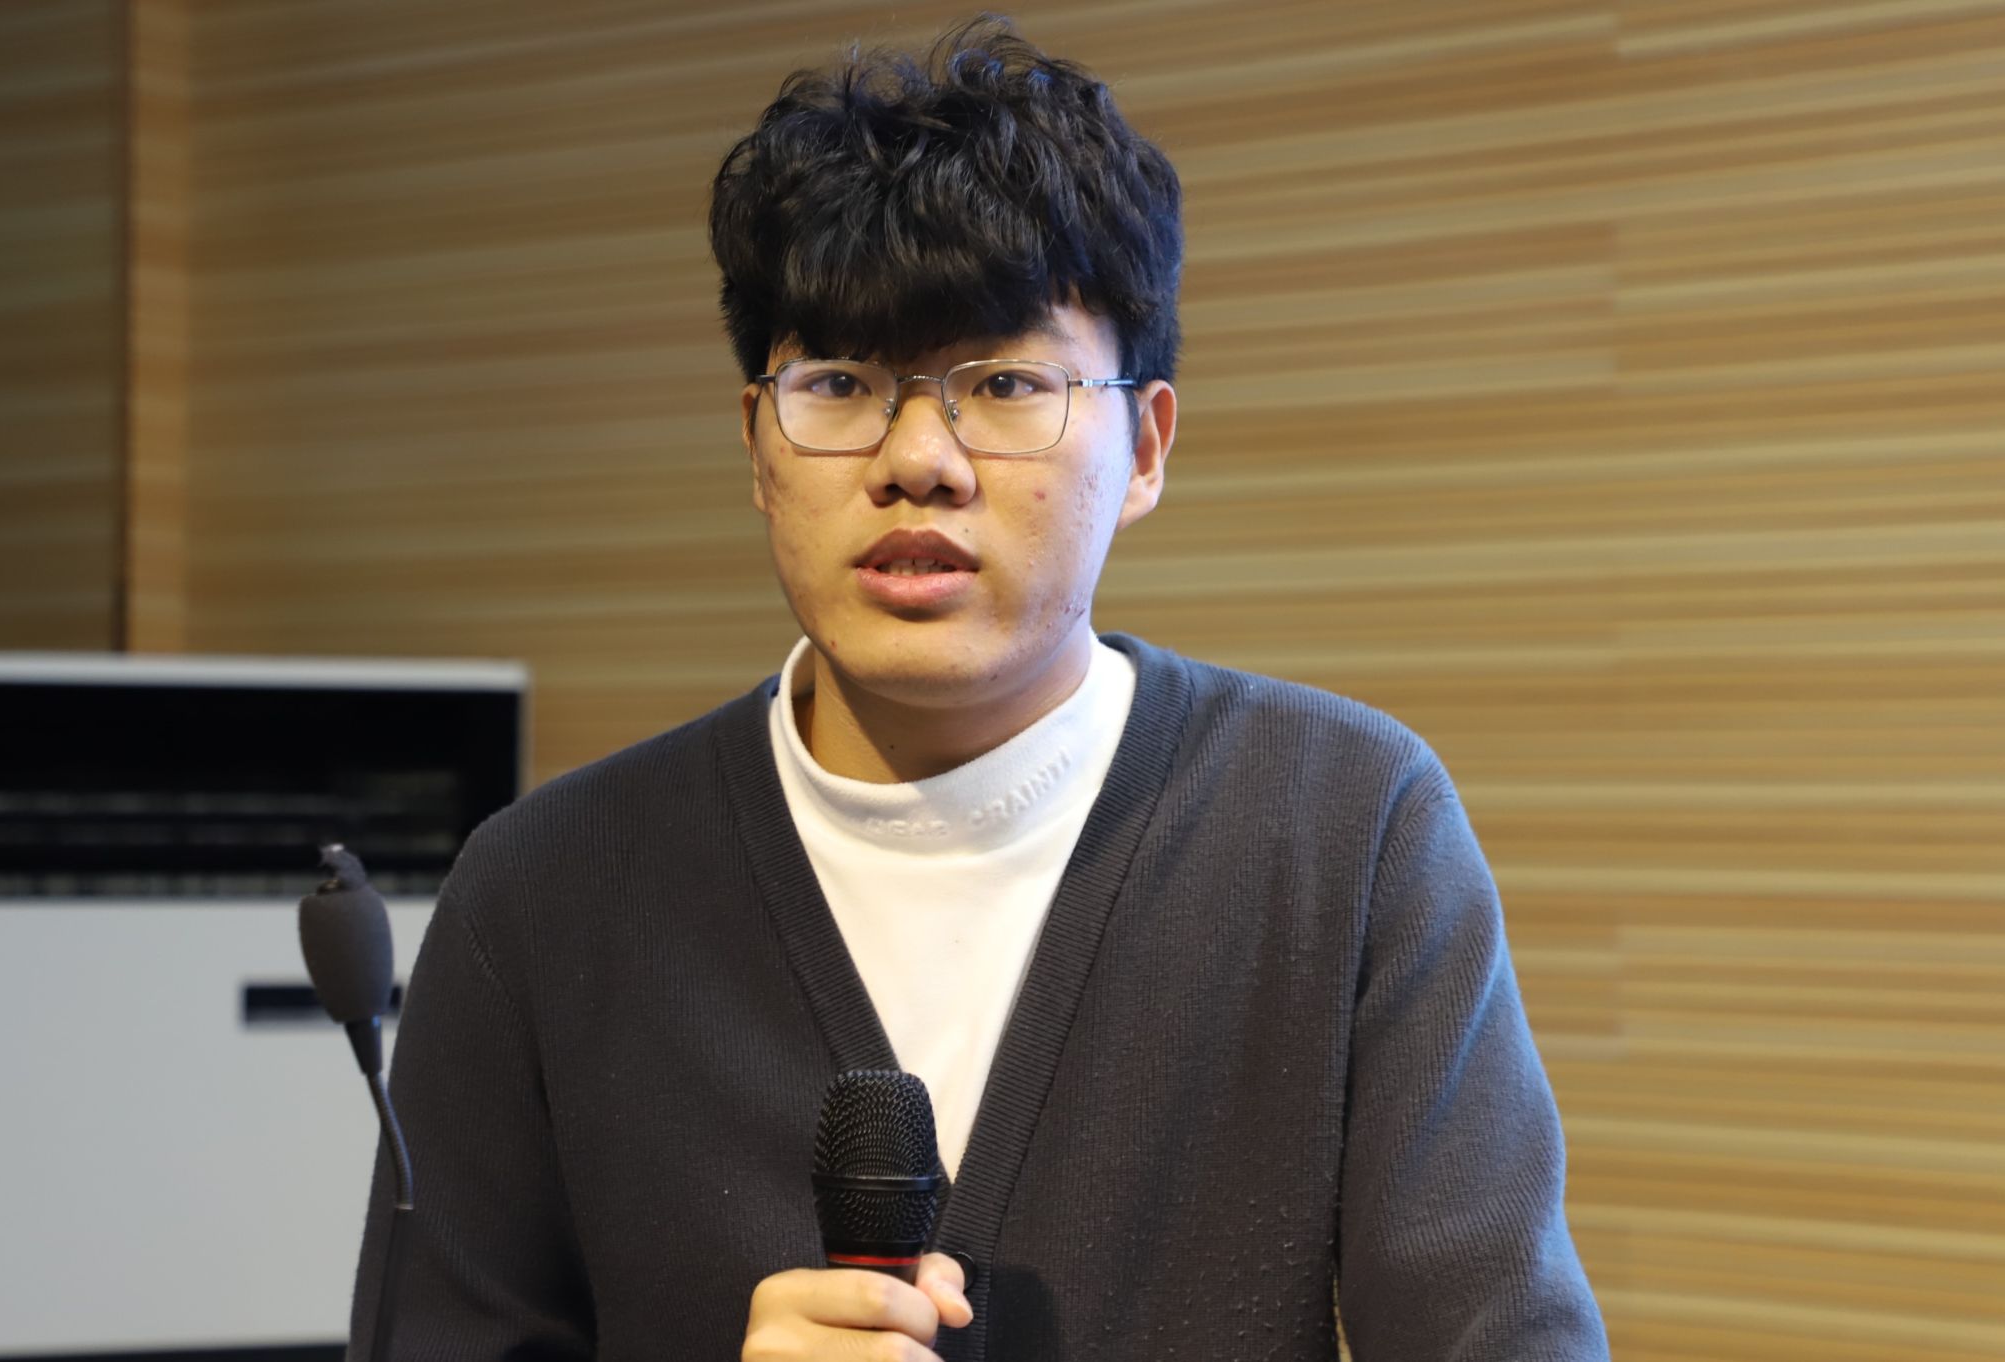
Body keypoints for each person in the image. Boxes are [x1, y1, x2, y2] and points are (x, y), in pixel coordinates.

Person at [348, 18, 1610, 1362]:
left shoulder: (1346, 830)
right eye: (841, 382)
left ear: (1145, 447)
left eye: (1004, 383)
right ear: (759, 446)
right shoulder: (543, 892)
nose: (919, 460)